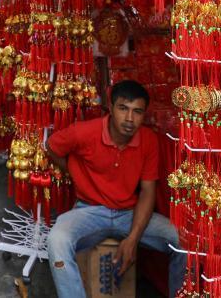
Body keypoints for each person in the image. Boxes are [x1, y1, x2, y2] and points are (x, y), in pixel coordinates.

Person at [45, 80, 185, 297]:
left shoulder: (148, 140)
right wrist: (73, 171)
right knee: (57, 240)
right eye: (123, 109)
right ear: (110, 108)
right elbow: (51, 146)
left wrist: (132, 240)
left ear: (144, 114)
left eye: (137, 112)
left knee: (182, 241)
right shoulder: (84, 132)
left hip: (129, 214)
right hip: (89, 211)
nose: (130, 119)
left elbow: (148, 191)